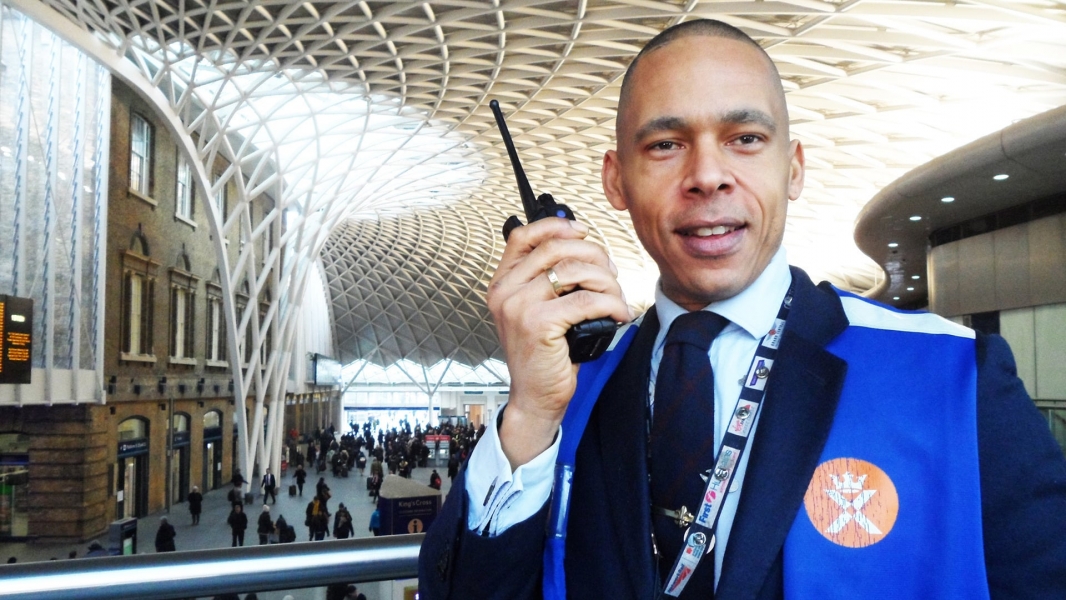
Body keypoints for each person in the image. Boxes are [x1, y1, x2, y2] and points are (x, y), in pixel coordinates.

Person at [417, 18, 1066, 600]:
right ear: (615, 179)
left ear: (795, 168)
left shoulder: (954, 377)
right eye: (666, 144)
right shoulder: (570, 393)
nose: (707, 174)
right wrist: (528, 415)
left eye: (746, 138)